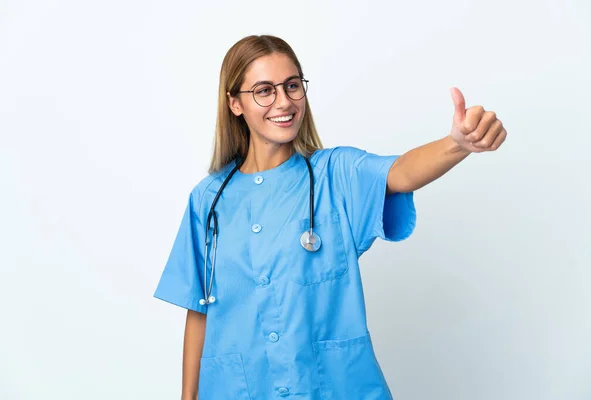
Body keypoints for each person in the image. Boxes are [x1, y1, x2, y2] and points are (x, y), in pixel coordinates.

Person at [153, 34, 507, 400]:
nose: (284, 102)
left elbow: (400, 171)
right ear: (235, 104)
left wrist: (457, 144)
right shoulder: (208, 200)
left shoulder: (334, 175)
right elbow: (198, 309)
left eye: (292, 86)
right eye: (264, 90)